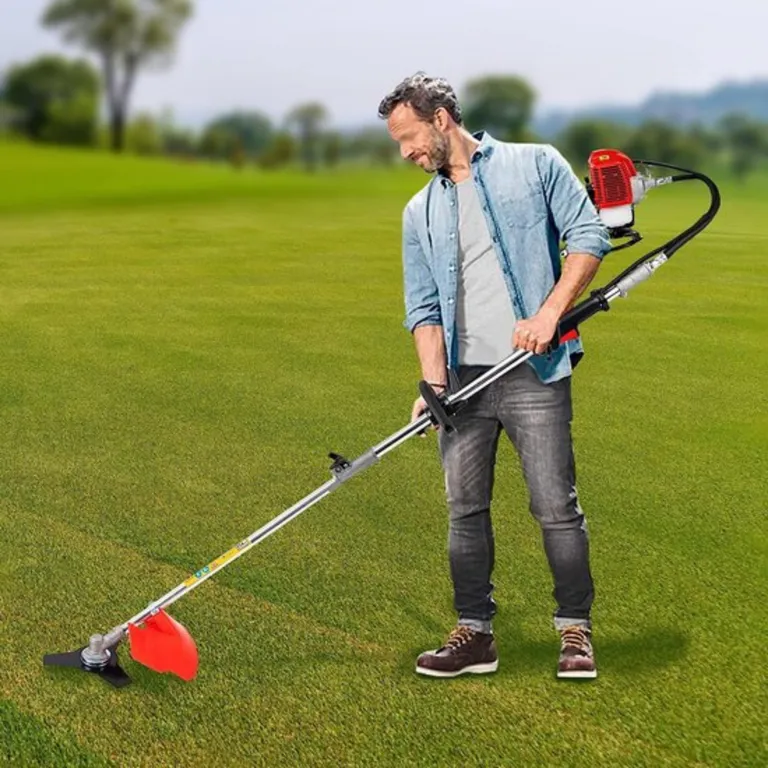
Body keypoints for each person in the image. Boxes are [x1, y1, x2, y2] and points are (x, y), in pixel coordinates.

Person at [377, 72, 612, 679]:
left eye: (409, 137)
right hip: (462, 384)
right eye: (397, 143)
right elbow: (423, 306)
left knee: (555, 507)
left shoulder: (534, 165)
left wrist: (549, 313)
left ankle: (575, 631)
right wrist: (433, 386)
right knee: (464, 510)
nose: (406, 153)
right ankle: (474, 635)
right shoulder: (418, 210)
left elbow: (589, 233)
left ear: (442, 118)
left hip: (534, 370)